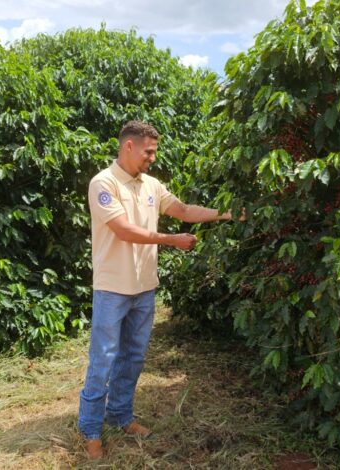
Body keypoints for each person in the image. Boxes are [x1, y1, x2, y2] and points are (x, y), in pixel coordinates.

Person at [79, 120, 240, 459]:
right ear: (129, 147)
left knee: (134, 358)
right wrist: (170, 240)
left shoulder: (151, 184)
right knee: (103, 360)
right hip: (112, 289)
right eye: (148, 151)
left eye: (154, 151)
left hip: (144, 288)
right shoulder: (103, 183)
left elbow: (181, 210)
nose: (153, 158)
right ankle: (91, 430)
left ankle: (122, 416)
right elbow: (123, 230)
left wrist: (226, 213)